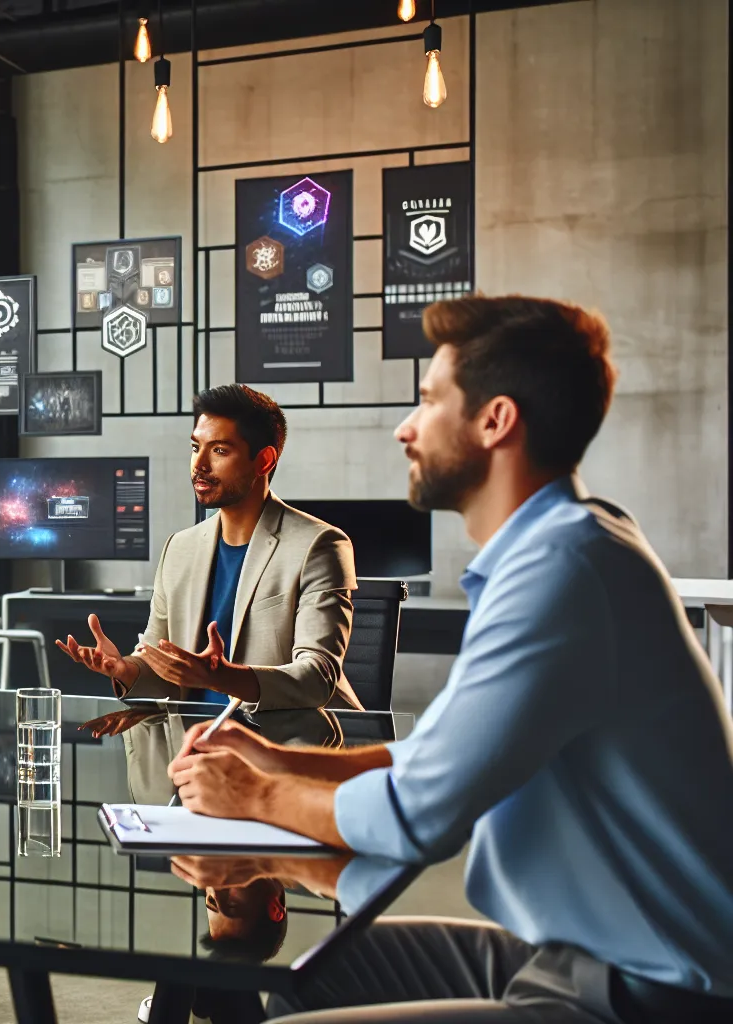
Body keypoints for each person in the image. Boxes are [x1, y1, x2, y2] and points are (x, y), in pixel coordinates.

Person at [167, 297, 733, 1022]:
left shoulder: (563, 569)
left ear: (495, 421)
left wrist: (252, 801)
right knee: (302, 983)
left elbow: (415, 818)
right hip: (562, 952)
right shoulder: (553, 552)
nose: (406, 426)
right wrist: (270, 766)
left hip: (646, 992)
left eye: (430, 400)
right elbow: (425, 766)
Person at [58, 385, 359, 748]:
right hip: (193, 746)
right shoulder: (179, 548)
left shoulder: (320, 546)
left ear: (264, 461)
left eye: (219, 450)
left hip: (286, 750)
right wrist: (128, 670)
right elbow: (161, 665)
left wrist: (223, 677)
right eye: (195, 447)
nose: (199, 464)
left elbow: (317, 677)